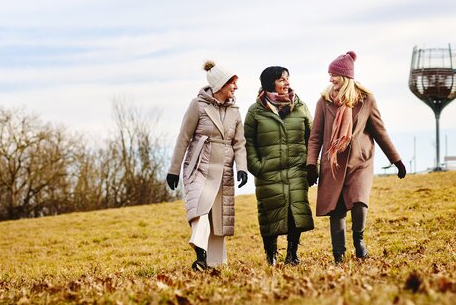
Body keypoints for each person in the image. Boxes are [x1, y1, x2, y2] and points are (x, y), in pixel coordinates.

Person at [307, 51, 406, 264]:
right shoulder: (324, 102)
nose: (330, 79)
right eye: (329, 74)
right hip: (333, 163)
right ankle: (338, 254)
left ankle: (359, 240)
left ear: (345, 77)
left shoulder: (366, 100)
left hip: (360, 162)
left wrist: (396, 160)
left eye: (334, 75)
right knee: (337, 210)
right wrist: (311, 164)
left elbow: (380, 132)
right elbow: (315, 137)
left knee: (360, 201)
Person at [166, 60, 248, 271]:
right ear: (221, 84)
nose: (236, 88)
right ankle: (200, 253)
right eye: (233, 83)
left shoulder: (235, 111)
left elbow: (239, 143)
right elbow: (183, 137)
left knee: (219, 216)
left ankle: (214, 262)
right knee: (199, 209)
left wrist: (242, 168)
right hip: (199, 166)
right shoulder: (197, 105)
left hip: (223, 170)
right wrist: (173, 170)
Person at [244, 66, 315, 266]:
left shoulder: (300, 107)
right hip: (268, 173)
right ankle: (271, 256)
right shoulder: (255, 111)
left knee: (296, 213)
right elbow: (248, 143)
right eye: (282, 79)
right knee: (269, 216)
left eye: (288, 78)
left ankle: (292, 254)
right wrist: (257, 167)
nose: (287, 82)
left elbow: (313, 138)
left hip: (296, 170)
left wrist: (312, 166)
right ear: (269, 83)